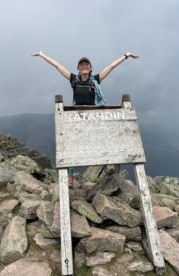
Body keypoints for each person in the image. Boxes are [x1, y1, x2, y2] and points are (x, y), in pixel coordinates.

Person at [31, 51, 139, 186]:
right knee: (72, 146)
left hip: (93, 119)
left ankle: (108, 173)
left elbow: (111, 67)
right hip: (76, 119)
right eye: (81, 65)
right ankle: (70, 178)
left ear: (90, 68)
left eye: (86, 65)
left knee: (102, 144)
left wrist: (126, 55)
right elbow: (57, 66)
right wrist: (42, 54)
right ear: (78, 68)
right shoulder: (74, 80)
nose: (84, 66)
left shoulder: (95, 80)